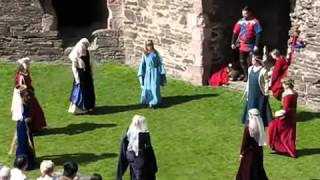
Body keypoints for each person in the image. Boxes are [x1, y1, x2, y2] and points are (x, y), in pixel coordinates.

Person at [116, 115, 158, 180]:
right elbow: (150, 152)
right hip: (142, 167)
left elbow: (123, 158)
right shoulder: (144, 135)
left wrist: (119, 176)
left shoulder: (128, 136)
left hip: (140, 167)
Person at [11, 57, 47, 132]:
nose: (28, 66)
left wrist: (30, 89)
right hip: (25, 95)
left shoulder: (26, 73)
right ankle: (29, 129)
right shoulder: (20, 75)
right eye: (26, 64)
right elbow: (20, 86)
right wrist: (25, 95)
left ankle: (36, 127)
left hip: (29, 94)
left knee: (36, 110)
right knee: (28, 111)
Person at [231, 6, 262, 82]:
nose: (243, 15)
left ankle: (251, 77)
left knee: (250, 62)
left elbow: (258, 34)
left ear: (250, 13)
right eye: (243, 14)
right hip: (242, 45)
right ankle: (246, 76)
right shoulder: (240, 21)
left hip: (251, 45)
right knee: (242, 61)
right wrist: (233, 42)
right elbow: (235, 33)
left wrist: (256, 45)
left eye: (245, 14)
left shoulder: (255, 22)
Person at [268, 79, 298, 158]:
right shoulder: (294, 93)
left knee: (273, 126)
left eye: (284, 84)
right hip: (292, 115)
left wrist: (277, 114)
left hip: (286, 116)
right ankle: (288, 149)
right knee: (288, 133)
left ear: (287, 85)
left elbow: (286, 109)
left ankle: (280, 147)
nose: (282, 85)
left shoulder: (288, 95)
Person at [241, 53, 273, 127]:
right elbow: (249, 80)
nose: (252, 61)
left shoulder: (263, 71)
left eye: (253, 60)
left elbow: (266, 82)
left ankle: (260, 120)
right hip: (251, 91)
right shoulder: (250, 69)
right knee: (250, 103)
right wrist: (247, 89)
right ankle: (249, 119)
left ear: (257, 61)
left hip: (259, 92)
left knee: (260, 105)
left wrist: (266, 92)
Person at [236, 108, 268, 180]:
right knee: (258, 168)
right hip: (259, 151)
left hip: (249, 153)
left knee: (247, 170)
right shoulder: (260, 124)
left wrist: (242, 153)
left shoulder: (249, 127)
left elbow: (245, 141)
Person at [68, 38, 96, 114]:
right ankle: (79, 109)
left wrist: (92, 74)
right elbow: (74, 67)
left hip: (87, 75)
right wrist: (77, 78)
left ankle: (89, 107)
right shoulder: (75, 54)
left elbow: (91, 64)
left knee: (89, 91)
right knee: (80, 91)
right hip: (80, 75)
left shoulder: (88, 53)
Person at [138, 40, 166, 108]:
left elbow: (159, 63)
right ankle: (149, 102)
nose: (149, 46)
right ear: (146, 46)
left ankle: (155, 102)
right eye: (148, 45)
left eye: (150, 44)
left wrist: (162, 72)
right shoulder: (145, 54)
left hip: (155, 73)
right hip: (148, 74)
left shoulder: (155, 53)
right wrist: (141, 75)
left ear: (152, 45)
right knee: (148, 87)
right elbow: (142, 65)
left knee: (155, 87)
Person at [15, 86, 36, 170]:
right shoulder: (20, 105)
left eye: (28, 95)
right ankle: (23, 162)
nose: (28, 97)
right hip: (22, 127)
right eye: (26, 96)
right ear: (22, 96)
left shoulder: (28, 102)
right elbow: (18, 117)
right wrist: (25, 120)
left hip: (28, 126)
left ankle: (30, 159)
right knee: (23, 143)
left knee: (29, 141)